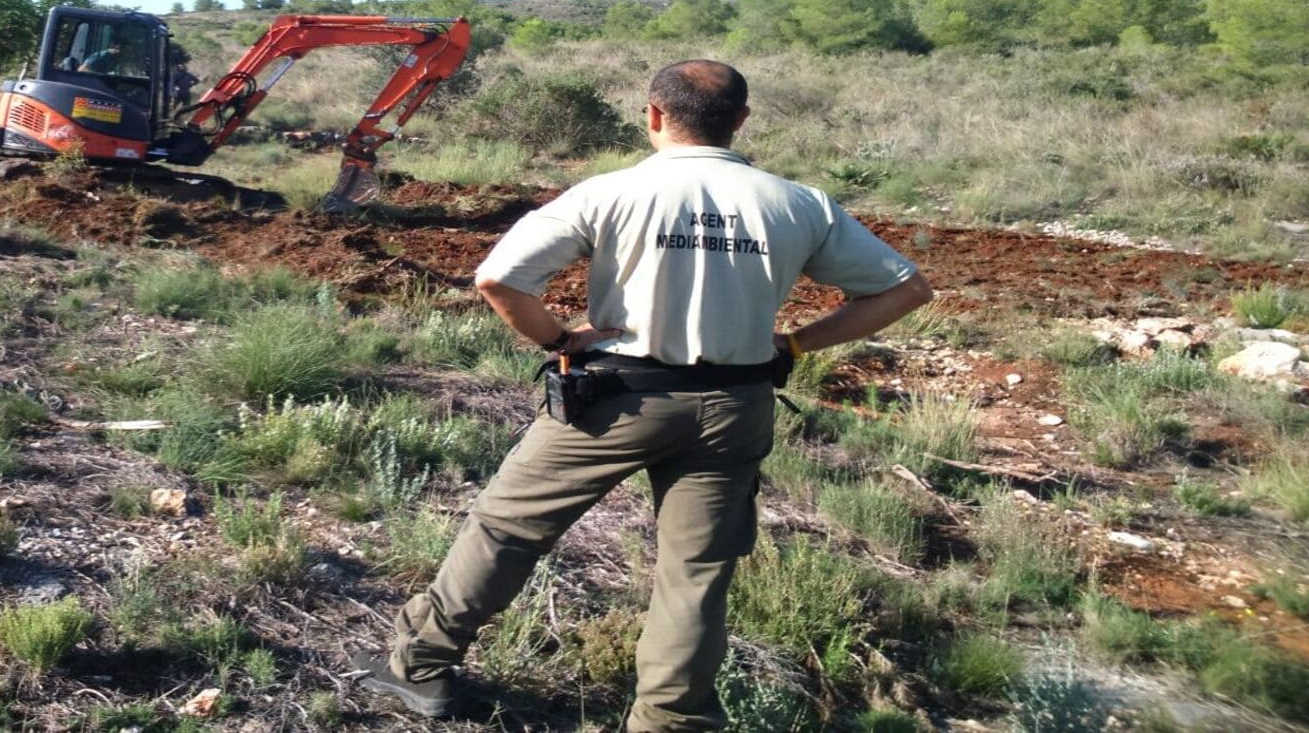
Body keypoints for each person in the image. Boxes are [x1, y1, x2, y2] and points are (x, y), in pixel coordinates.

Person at [348, 60, 933, 730]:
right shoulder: (799, 202)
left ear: (653, 113)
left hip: (614, 398)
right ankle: (671, 719)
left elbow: (499, 277)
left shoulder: (609, 193)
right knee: (696, 573)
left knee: (507, 529)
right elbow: (908, 289)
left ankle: (419, 666)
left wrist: (560, 336)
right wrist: (795, 344)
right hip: (736, 406)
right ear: (741, 120)